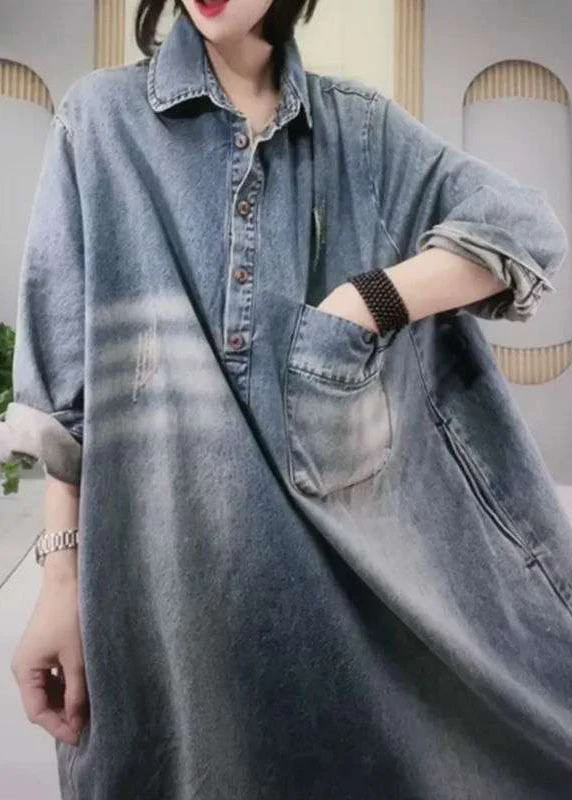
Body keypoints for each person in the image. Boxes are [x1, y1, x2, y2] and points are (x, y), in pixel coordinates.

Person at [6, 0, 572, 797]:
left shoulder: (360, 134)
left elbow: (524, 227)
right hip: (162, 624)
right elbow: (64, 402)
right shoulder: (97, 123)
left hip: (344, 638)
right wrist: (59, 586)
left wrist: (368, 301)